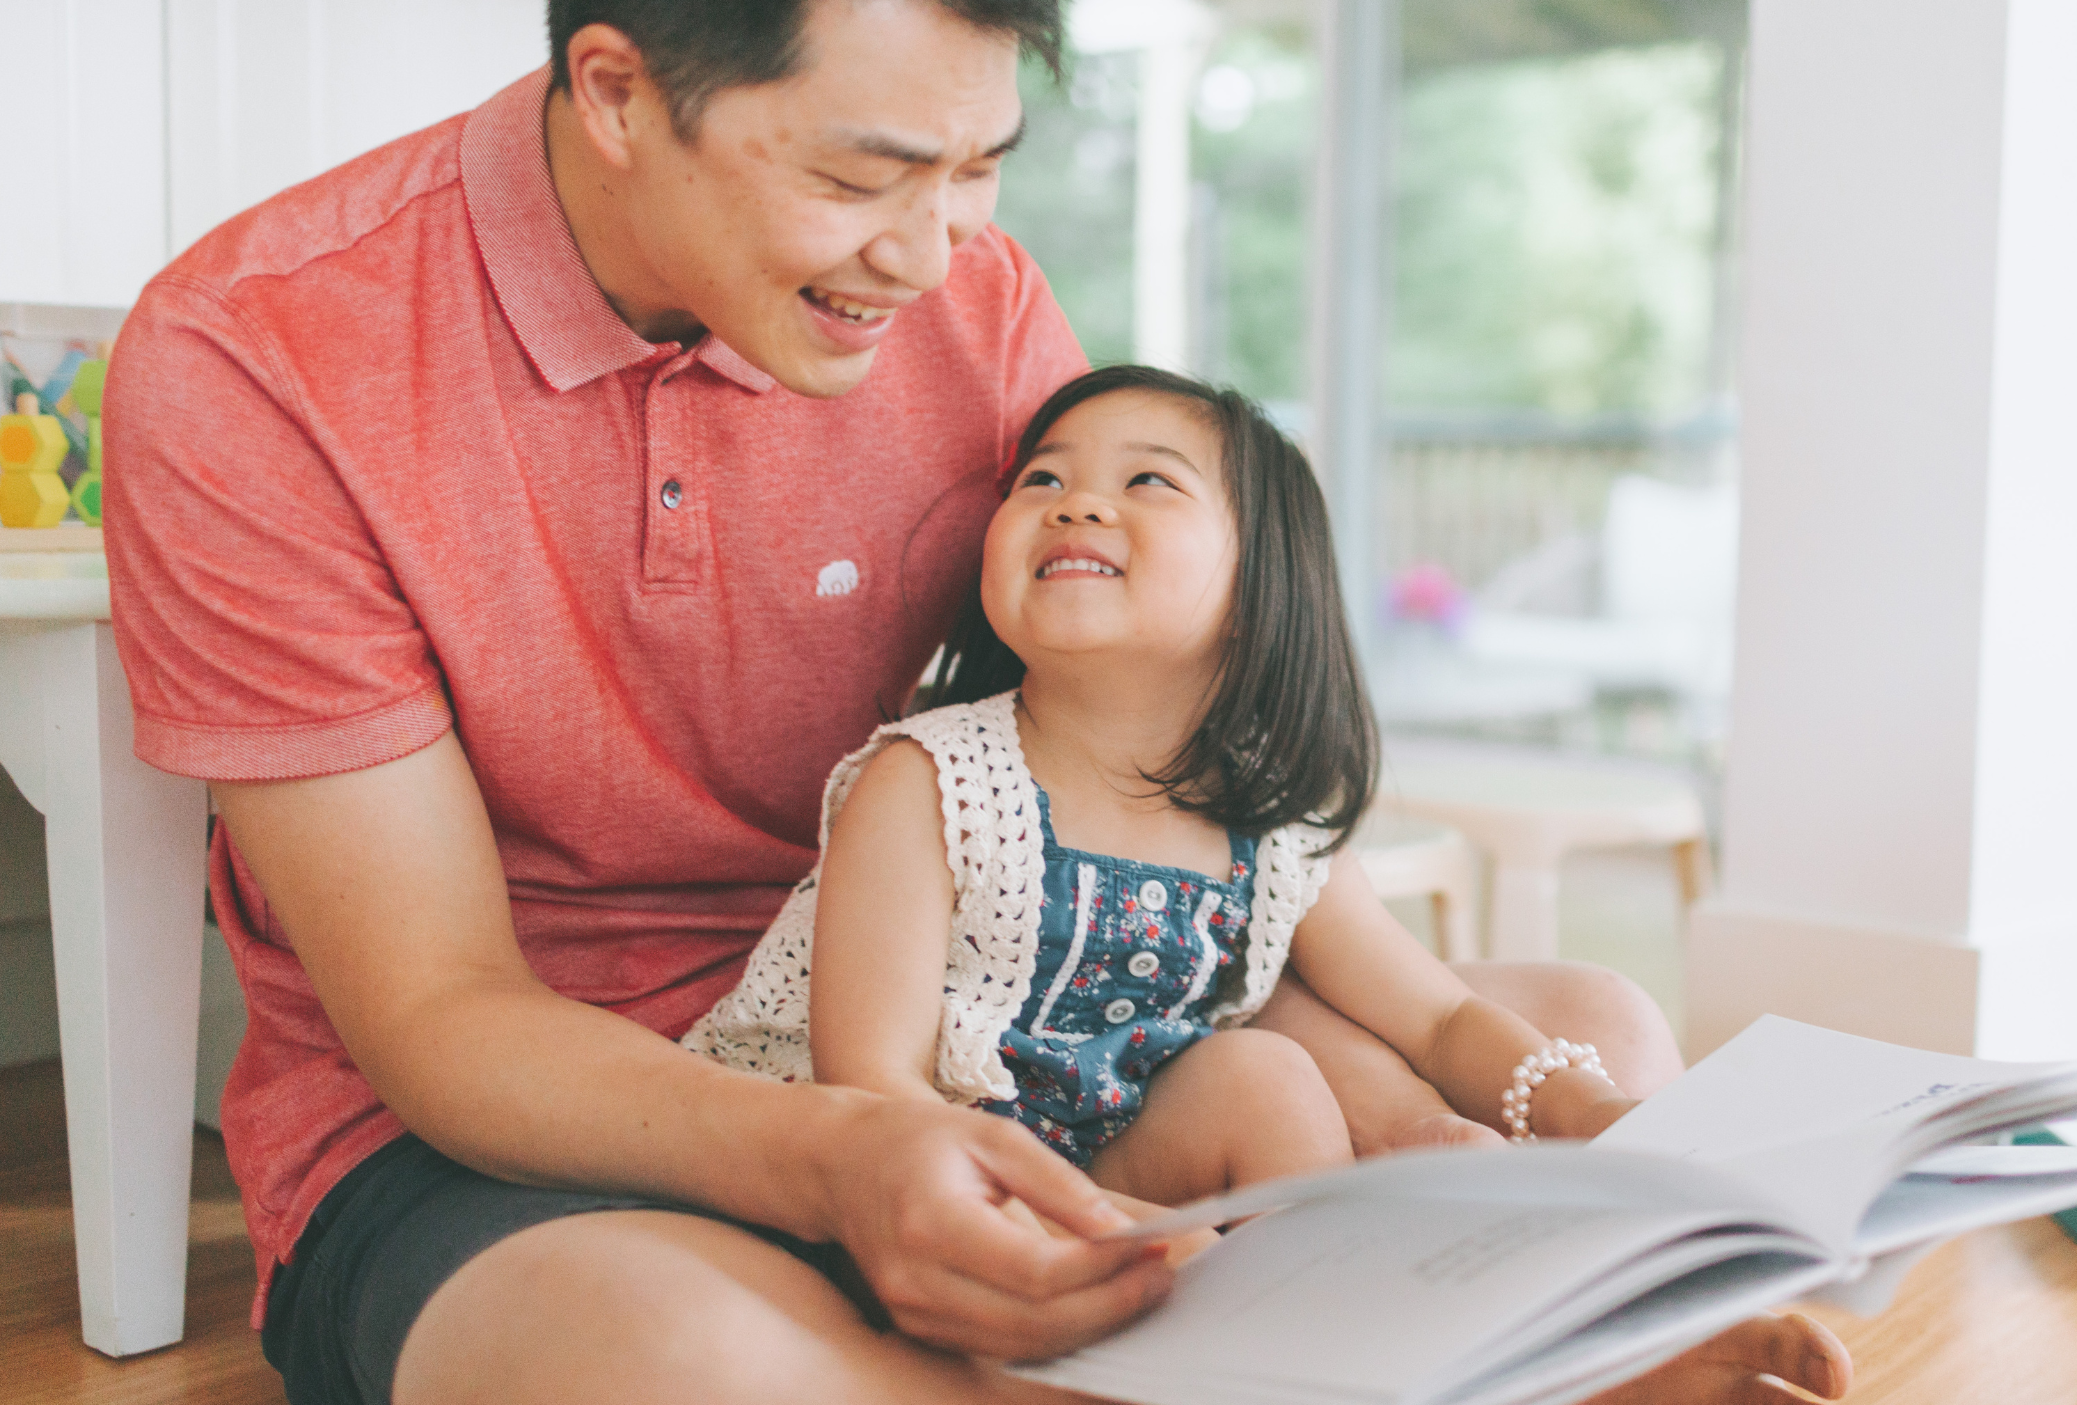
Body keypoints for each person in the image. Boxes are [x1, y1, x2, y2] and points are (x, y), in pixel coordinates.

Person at [99, 1, 1853, 1401]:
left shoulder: (976, 306)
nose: (936, 260)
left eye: (982, 170)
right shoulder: (255, 361)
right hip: (537, 1129)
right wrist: (850, 1156)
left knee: (1591, 1032)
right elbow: (443, 1018)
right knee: (683, 1364)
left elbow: (1128, 756)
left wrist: (1425, 1101)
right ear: (619, 93)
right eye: (866, 178)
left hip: (993, 1024)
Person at [688, 365, 1649, 1208]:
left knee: (1262, 1080)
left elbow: (1437, 1019)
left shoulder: (1274, 826)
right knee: (1264, 1106)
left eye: (1146, 479)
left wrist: (1592, 1110)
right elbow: (872, 1086)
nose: (1075, 504)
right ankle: (1280, 1330)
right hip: (905, 1170)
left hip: (1108, 1158)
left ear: (1259, 583)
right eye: (1041, 479)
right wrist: (1090, 1228)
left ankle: (1351, 1327)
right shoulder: (930, 784)